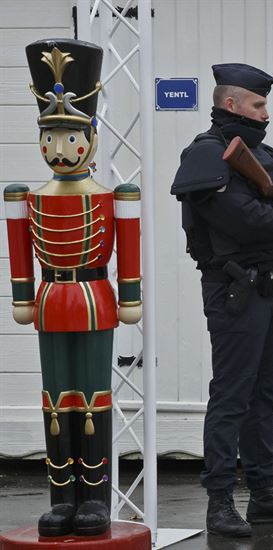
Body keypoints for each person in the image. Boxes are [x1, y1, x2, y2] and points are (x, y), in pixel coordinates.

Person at [170, 63, 273, 537]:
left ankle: (263, 496)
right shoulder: (206, 154)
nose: (265, 113)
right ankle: (219, 503)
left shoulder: (265, 155)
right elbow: (244, 220)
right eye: (258, 104)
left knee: (265, 396)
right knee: (232, 396)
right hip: (234, 291)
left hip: (272, 288)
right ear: (231, 104)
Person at [3, 39, 142, 538]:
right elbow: (20, 250)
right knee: (55, 398)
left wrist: (130, 296)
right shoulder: (26, 195)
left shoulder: (113, 195)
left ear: (91, 139)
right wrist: (22, 296)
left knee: (93, 397)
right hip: (49, 300)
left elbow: (128, 248)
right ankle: (62, 497)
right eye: (51, 138)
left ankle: (95, 499)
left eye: (70, 137)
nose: (58, 150)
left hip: (93, 299)